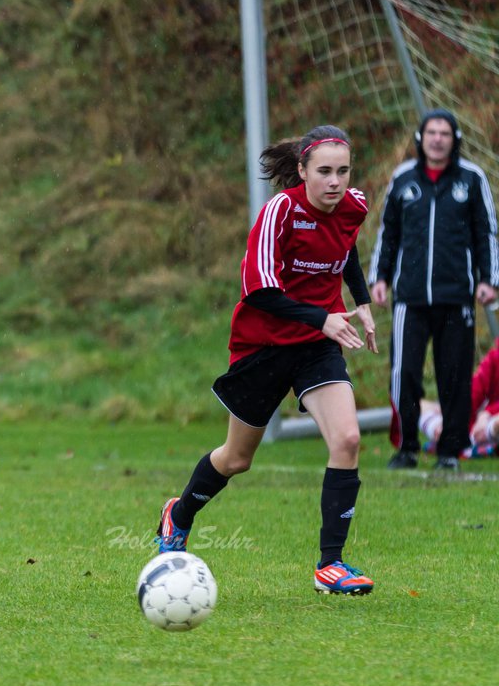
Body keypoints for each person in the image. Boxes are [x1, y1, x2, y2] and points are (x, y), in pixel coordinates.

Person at [154, 125, 379, 595]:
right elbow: (258, 290)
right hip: (264, 344)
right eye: (324, 172)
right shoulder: (280, 212)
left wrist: (360, 302)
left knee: (349, 438)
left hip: (317, 346)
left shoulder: (353, 204)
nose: (335, 182)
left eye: (342, 170)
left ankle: (330, 565)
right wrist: (323, 318)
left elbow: (345, 247)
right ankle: (179, 514)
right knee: (236, 459)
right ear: (301, 171)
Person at [368, 108, 498, 471]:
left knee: (454, 375)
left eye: (444, 133)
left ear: (454, 139)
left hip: (457, 297)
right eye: (432, 132)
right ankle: (407, 446)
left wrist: (489, 280)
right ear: (420, 139)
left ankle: (449, 452)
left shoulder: (472, 179)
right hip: (408, 298)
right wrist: (379, 277)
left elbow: (486, 233)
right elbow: (388, 233)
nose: (438, 138)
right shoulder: (403, 179)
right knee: (405, 371)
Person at [417, 336, 499, 459]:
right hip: (479, 424)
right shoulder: (495, 357)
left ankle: (471, 442)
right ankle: (449, 436)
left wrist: (487, 413)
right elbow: (475, 389)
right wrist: (454, 418)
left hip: (492, 422)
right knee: (417, 405)